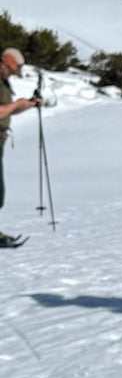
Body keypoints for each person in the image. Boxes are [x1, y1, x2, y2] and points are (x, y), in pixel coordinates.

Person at [0, 47, 41, 245]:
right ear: (5, 64)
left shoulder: (3, 83)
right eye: (11, 70)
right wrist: (16, 105)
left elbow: (6, 110)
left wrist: (27, 105)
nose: (11, 74)